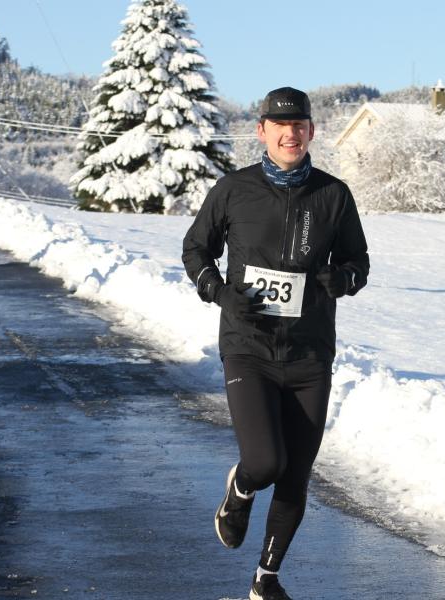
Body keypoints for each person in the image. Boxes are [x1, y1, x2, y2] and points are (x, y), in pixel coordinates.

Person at [182, 87, 370, 600]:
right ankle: (240, 489)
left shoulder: (333, 195)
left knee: (297, 474)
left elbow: (358, 263)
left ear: (311, 131)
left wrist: (342, 279)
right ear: (261, 131)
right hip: (249, 346)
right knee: (267, 463)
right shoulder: (234, 190)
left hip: (310, 353)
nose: (291, 134)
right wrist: (218, 292)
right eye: (280, 126)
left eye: (299, 126)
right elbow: (196, 249)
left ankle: (266, 578)